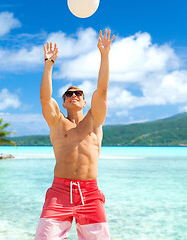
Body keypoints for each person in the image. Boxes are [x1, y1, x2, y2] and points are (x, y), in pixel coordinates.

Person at [35, 29, 114, 240]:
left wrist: (104, 55)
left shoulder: (95, 120)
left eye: (78, 93)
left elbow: (103, 91)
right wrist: (48, 65)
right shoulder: (57, 122)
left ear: (84, 100)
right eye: (69, 94)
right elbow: (44, 99)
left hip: (90, 194)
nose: (73, 95)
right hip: (59, 193)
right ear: (63, 102)